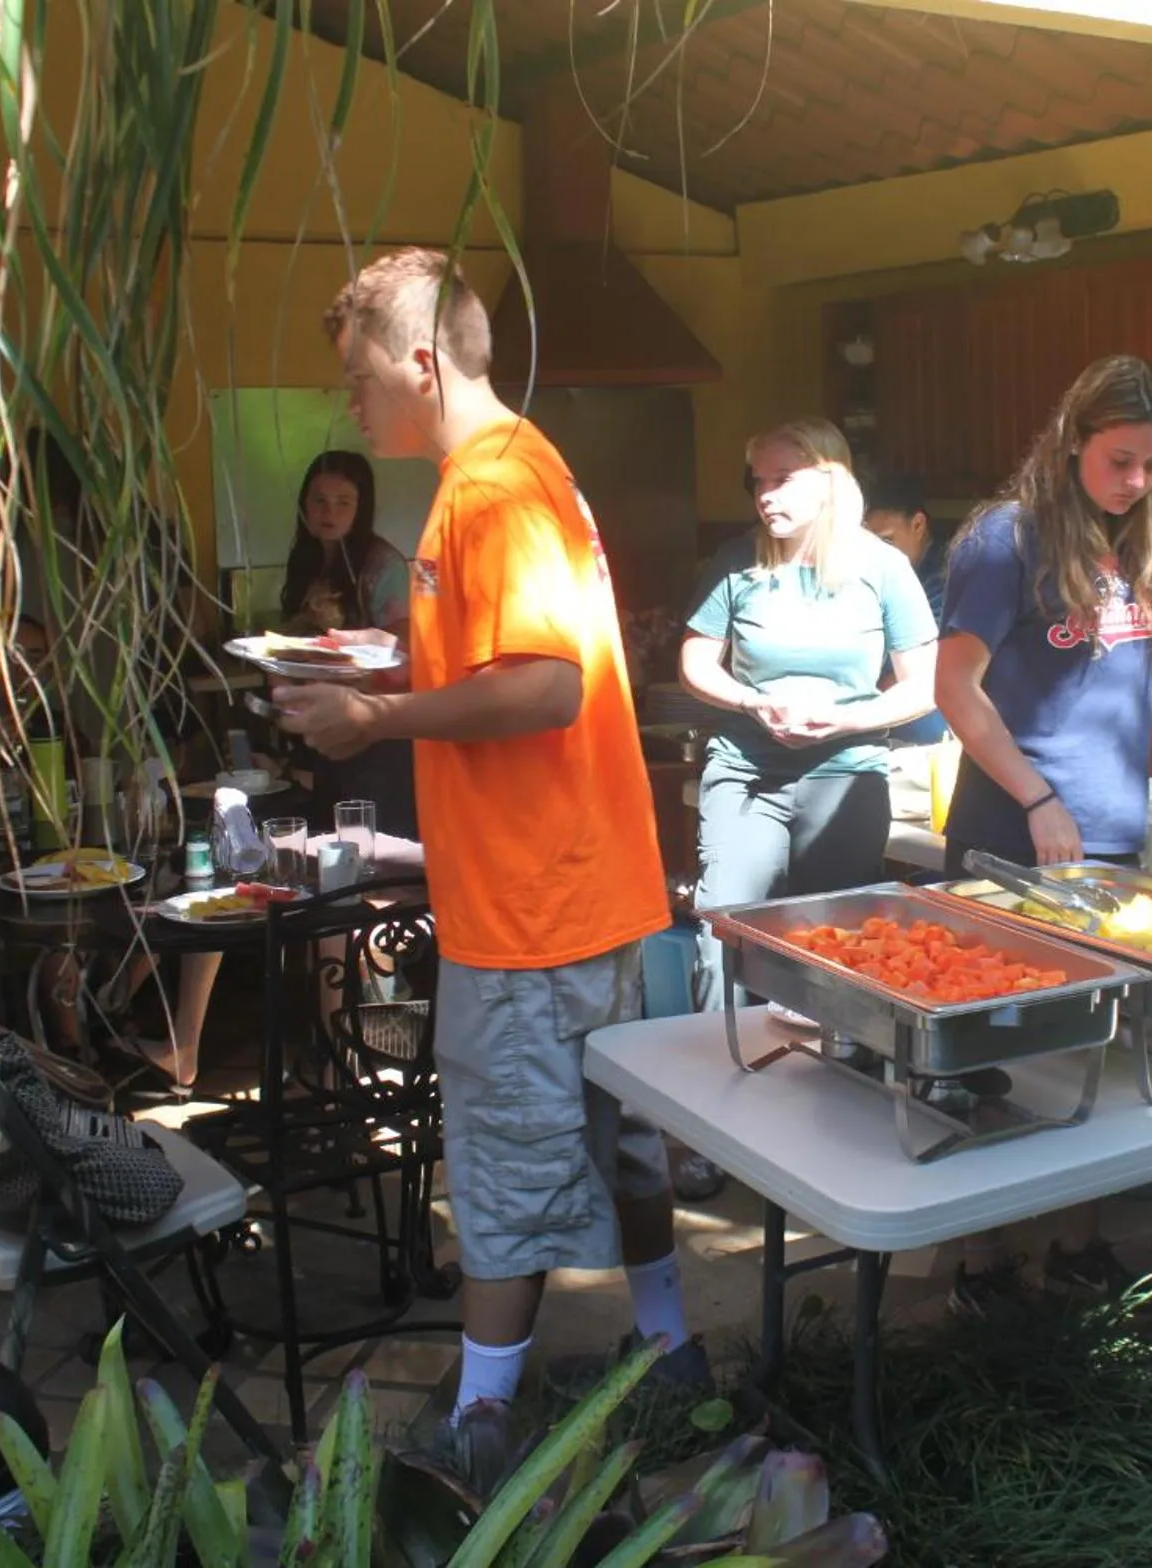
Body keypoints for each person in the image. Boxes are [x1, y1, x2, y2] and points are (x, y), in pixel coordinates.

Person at [273, 247, 699, 1416]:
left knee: (507, 1178)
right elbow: (500, 660)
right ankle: (668, 1349)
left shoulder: (494, 488)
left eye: (356, 372)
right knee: (614, 1144)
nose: (346, 400)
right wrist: (383, 666)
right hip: (579, 890)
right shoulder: (515, 468)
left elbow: (545, 687)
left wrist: (379, 714)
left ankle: (480, 1434)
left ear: (419, 361)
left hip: (529, 908)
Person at [933, 353, 1152, 1309]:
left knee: (1091, 1050)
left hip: (1109, 838)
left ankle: (1074, 1245)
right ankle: (982, 1258)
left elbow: (1110, 667)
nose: (1137, 481)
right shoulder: (1007, 540)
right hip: (1019, 835)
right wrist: (1040, 799)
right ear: (1072, 439)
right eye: (1121, 460)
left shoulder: (1118, 543)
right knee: (999, 1054)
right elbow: (954, 687)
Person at [680, 419, 938, 1015]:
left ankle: (832, 1069)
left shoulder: (883, 567)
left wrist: (845, 720)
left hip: (846, 772)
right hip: (747, 771)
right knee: (727, 929)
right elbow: (695, 660)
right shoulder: (736, 560)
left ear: (830, 482)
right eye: (758, 481)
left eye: (783, 479)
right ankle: (718, 1072)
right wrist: (750, 700)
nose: (765, 494)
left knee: (841, 938)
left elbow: (923, 687)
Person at [278, 447, 420, 842]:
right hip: (328, 723)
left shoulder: (381, 565)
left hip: (380, 731)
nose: (329, 512)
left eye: (344, 502)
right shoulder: (307, 559)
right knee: (332, 847)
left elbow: (403, 652)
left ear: (362, 508)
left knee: (377, 849)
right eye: (319, 500)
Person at [860, 472, 950, 745]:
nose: (875, 554)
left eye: (887, 541)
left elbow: (924, 671)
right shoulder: (863, 569)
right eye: (867, 542)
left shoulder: (949, 575)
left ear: (918, 524)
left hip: (925, 711)